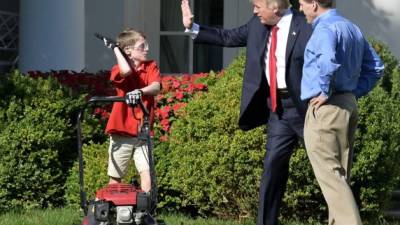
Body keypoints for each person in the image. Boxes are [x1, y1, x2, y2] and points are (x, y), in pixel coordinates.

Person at [181, 0, 312, 224]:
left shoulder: (307, 25)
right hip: (278, 110)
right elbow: (227, 37)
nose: (254, 10)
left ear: (275, 8)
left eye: (258, 5)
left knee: (326, 166)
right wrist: (193, 28)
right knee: (272, 169)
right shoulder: (257, 24)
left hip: (306, 108)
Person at [298, 0, 384, 224]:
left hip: (326, 107)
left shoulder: (325, 29)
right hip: (346, 104)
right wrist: (353, 92)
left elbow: (327, 61)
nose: (300, 9)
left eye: (302, 4)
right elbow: (376, 67)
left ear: (314, 4)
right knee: (339, 175)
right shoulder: (352, 27)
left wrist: (326, 91)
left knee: (332, 177)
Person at [102, 28, 161, 193]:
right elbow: (126, 71)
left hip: (142, 133)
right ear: (128, 50)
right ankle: (111, 211)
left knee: (146, 171)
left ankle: (146, 209)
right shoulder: (117, 69)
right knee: (116, 176)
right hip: (122, 133)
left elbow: (156, 87)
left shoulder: (150, 66)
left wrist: (140, 91)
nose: (147, 49)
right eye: (142, 46)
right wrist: (115, 48)